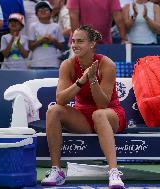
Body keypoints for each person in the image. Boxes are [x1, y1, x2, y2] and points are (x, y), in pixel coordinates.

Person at [41, 25, 126, 188]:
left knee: (99, 114)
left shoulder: (107, 64)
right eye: (73, 41)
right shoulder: (68, 65)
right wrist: (81, 80)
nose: (74, 45)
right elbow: (60, 100)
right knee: (53, 110)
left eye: (80, 41)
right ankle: (56, 171)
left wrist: (93, 79)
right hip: (83, 118)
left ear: (92, 44)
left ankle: (114, 172)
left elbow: (102, 104)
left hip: (110, 115)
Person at [28, 1, 65, 69]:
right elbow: (30, 47)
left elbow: (62, 47)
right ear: (36, 14)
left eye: (46, 10)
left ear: (51, 13)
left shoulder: (56, 26)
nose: (43, 11)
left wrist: (53, 41)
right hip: (36, 63)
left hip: (53, 63)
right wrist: (41, 40)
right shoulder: (33, 26)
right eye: (40, 10)